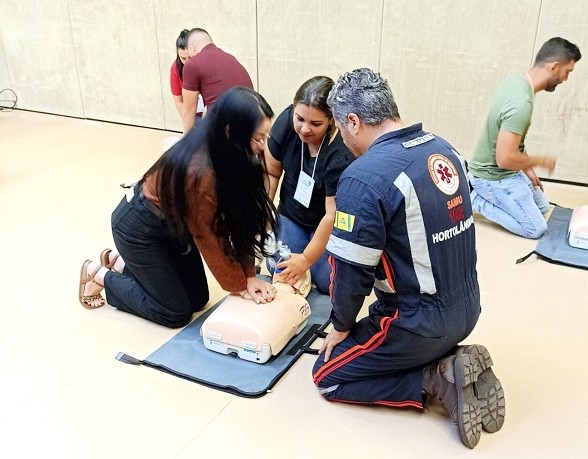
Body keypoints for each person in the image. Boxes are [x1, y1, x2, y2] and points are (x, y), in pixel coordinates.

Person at [311, 68, 504, 449]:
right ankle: (449, 360)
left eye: (341, 129)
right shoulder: (445, 149)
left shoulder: (363, 177)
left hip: (417, 322)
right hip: (469, 308)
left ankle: (436, 378)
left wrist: (340, 325)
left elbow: (351, 273)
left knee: (328, 375)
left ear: (353, 121)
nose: (343, 140)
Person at [78, 87, 278, 328]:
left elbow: (240, 219)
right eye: (258, 138)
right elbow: (210, 237)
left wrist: (248, 275)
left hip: (173, 228)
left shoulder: (231, 152)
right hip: (138, 229)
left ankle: (120, 262)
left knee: (198, 299)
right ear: (229, 131)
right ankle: (98, 274)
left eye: (265, 136)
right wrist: (242, 284)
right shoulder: (200, 171)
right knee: (174, 313)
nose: (263, 145)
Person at [469, 37, 582, 239]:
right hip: (493, 177)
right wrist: (540, 161)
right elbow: (504, 159)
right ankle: (476, 199)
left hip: (507, 172)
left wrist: (528, 168)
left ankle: (486, 192)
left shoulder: (517, 82)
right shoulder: (521, 103)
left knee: (543, 207)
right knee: (535, 228)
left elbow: (514, 142)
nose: (566, 79)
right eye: (568, 72)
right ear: (555, 67)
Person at [264, 76, 355, 294]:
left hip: (326, 222)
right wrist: (264, 216)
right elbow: (270, 172)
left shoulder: (340, 152)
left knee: (326, 283)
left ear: (332, 119)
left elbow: (331, 216)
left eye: (315, 123)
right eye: (300, 119)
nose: (304, 129)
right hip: (292, 213)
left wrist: (305, 259)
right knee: (278, 265)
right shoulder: (286, 123)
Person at [181, 28, 253, 134]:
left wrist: (186, 146)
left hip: (227, 132)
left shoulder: (193, 63)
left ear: (191, 49)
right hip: (252, 123)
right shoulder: (230, 58)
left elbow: (189, 111)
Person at [169, 29, 204, 120]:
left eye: (189, 57)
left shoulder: (204, 64)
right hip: (192, 112)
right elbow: (179, 102)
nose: (187, 62)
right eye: (183, 58)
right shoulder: (175, 68)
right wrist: (188, 122)